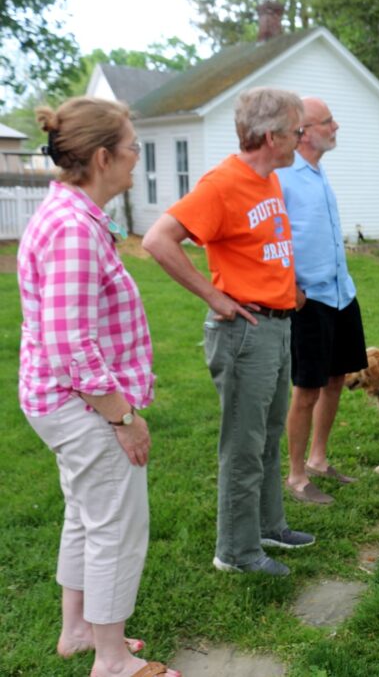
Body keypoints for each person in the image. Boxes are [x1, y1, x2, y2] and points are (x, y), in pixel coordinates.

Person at [18, 97, 180, 677]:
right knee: (115, 524)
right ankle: (112, 661)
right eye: (133, 147)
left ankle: (79, 631)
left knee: (86, 513)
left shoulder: (74, 216)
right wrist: (122, 419)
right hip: (81, 406)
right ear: (104, 157)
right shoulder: (72, 229)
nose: (137, 157)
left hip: (62, 402)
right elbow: (70, 345)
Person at [142, 88, 314, 577]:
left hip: (276, 325)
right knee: (243, 443)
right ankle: (235, 551)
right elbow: (158, 240)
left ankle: (268, 525)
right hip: (245, 334)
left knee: (268, 435)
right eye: (296, 131)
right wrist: (215, 297)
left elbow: (261, 246)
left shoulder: (269, 179)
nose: (301, 138)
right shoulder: (222, 184)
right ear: (271, 136)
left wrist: (288, 289)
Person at [277, 97, 368, 505]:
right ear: (303, 132)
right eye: (328, 121)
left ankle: (318, 459)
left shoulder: (318, 171)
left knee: (336, 379)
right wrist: (290, 287)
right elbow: (273, 237)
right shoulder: (283, 177)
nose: (336, 126)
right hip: (308, 300)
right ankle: (296, 476)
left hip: (341, 293)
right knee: (307, 388)